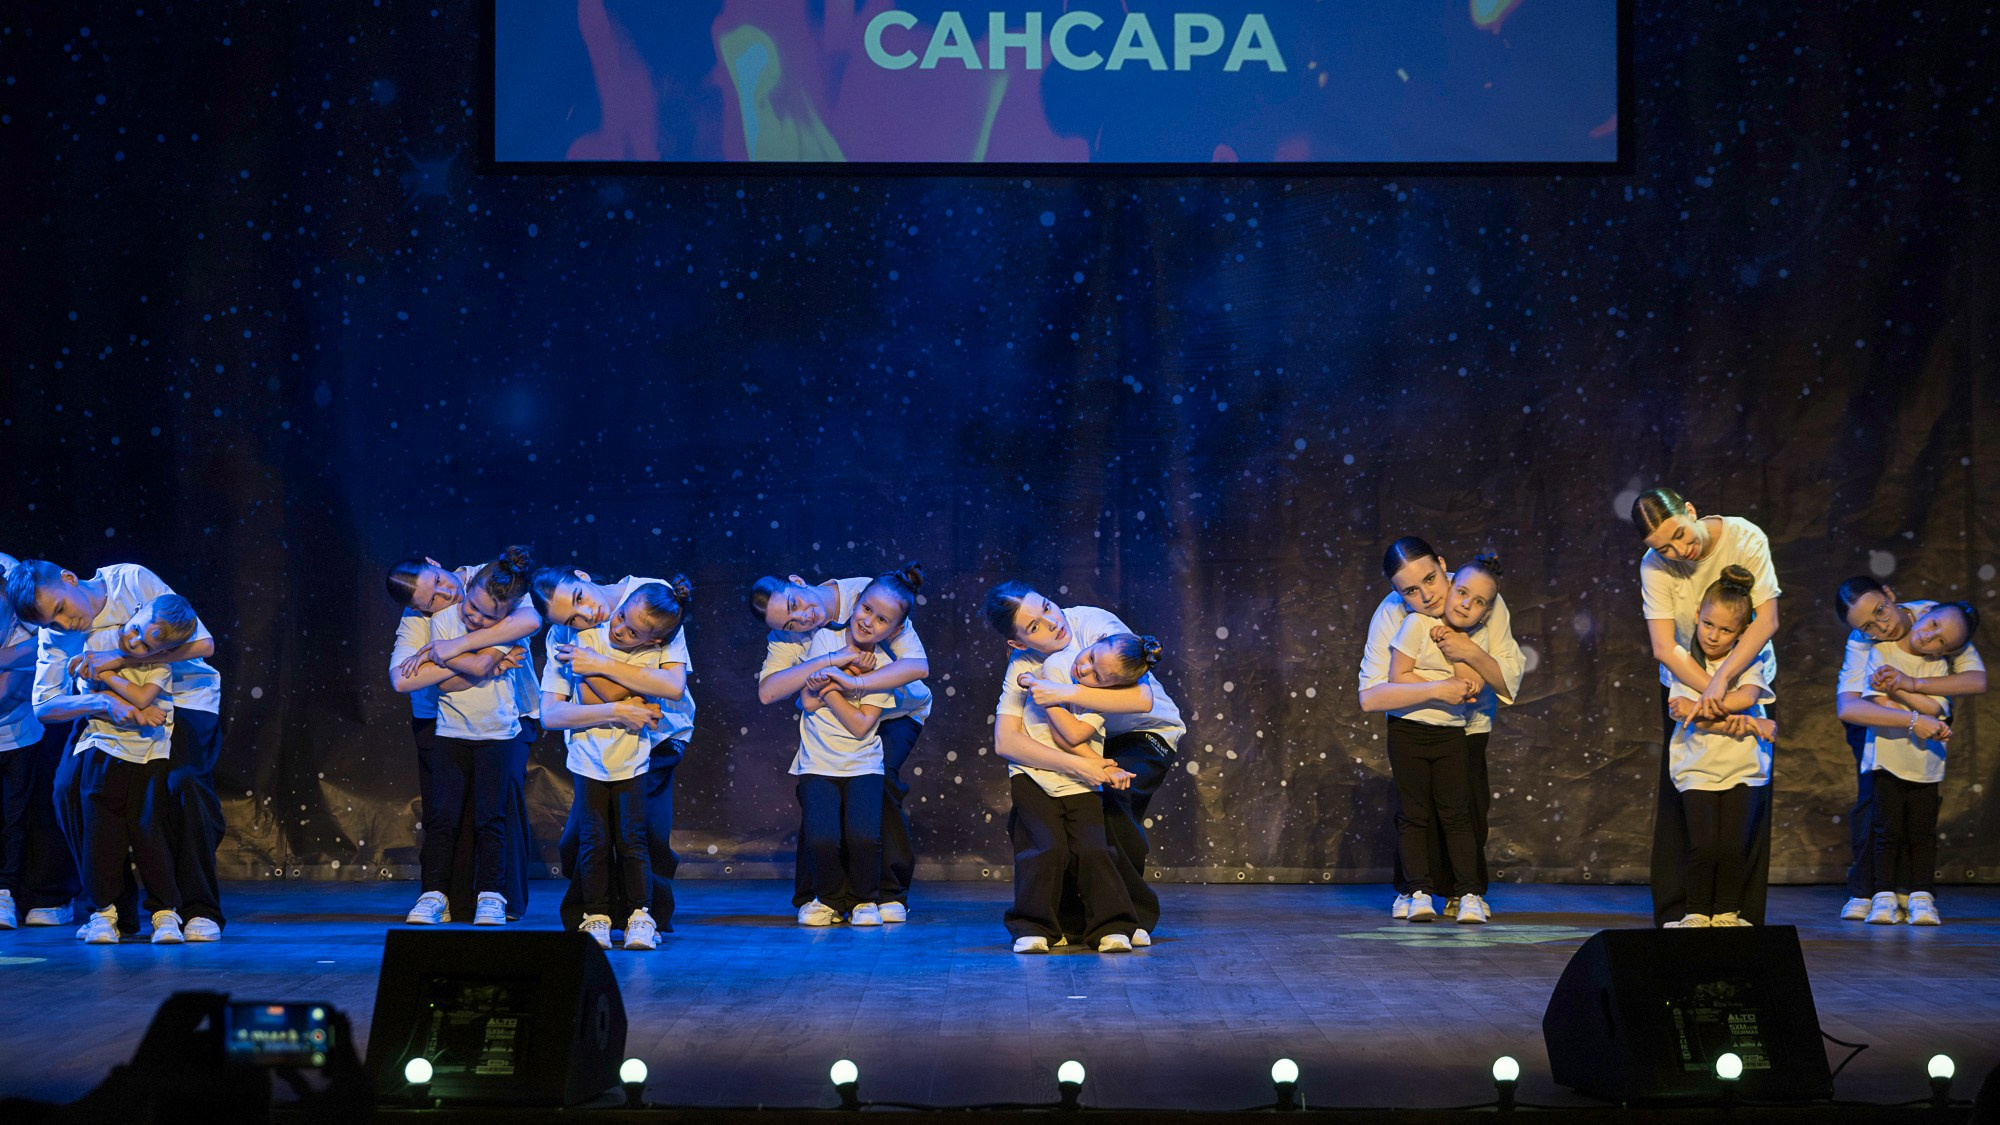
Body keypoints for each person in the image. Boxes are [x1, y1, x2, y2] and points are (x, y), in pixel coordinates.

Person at [7, 560, 225, 940]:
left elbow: (203, 643)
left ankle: (197, 908)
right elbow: (44, 706)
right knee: (66, 787)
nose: (63, 624)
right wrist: (103, 704)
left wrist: (124, 659)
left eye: (60, 609)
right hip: (109, 709)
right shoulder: (56, 636)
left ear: (70, 579)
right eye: (49, 623)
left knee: (183, 784)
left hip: (182, 699)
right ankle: (109, 909)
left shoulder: (131, 580)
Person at [985, 583, 1182, 945]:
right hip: (1082, 744)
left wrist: (1063, 692)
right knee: (1039, 818)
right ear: (1017, 643)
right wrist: (1084, 765)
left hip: (1143, 733)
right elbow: (1007, 740)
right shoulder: (1023, 666)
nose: (1051, 621)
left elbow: (1143, 698)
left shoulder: (1092, 624)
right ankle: (1061, 918)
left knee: (1108, 807)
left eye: (1046, 606)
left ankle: (1129, 916)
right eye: (1033, 627)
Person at [1632, 488, 1782, 926]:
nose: (1679, 550)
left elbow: (1767, 620)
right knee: (1686, 795)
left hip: (1746, 678)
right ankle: (1685, 909)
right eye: (1665, 547)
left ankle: (1739, 911)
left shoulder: (1744, 537)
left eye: (1680, 535)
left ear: (1691, 511)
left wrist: (1724, 682)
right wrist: (1708, 690)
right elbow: (1664, 645)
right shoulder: (1655, 566)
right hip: (1686, 678)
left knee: (1744, 801)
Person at [1359, 537, 1526, 919]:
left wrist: (1469, 653)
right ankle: (1413, 889)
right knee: (1415, 811)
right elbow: (1371, 695)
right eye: (1411, 591)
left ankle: (1463, 892)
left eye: (1432, 579)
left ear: (1443, 564)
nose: (1427, 594)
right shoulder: (1394, 615)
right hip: (1412, 722)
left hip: (1467, 726)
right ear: (1397, 592)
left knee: (1464, 808)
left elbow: (1505, 681)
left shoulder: (1480, 594)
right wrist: (1436, 689)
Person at [753, 566, 932, 922]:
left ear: (798, 582)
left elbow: (918, 666)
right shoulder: (796, 638)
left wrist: (852, 685)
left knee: (879, 787)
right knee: (821, 795)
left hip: (896, 709)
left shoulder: (866, 596)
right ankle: (821, 895)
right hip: (835, 713)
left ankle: (884, 892)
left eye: (795, 605)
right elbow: (770, 691)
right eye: (789, 623)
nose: (802, 618)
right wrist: (829, 665)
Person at [537, 570, 696, 947]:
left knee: (643, 835)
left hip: (656, 741)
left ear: (583, 577)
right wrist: (620, 709)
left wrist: (600, 666)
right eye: (570, 618)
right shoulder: (575, 635)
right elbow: (554, 712)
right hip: (596, 751)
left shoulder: (650, 601)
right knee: (585, 838)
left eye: (580, 599)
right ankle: (595, 915)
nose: (586, 614)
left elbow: (671, 687)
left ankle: (644, 917)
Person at [388, 552, 543, 924]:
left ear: (435, 562)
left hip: (505, 720)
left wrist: (442, 652)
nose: (447, 594)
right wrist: (480, 660)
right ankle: (444, 896)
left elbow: (530, 620)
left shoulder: (489, 583)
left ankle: (497, 897)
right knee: (444, 815)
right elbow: (402, 678)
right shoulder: (432, 619)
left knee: (494, 812)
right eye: (432, 600)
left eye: (440, 582)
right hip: (445, 724)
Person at [1831, 577, 1987, 920]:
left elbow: (1976, 680)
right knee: (1875, 804)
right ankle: (1867, 889)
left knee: (1918, 814)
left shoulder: (1936, 618)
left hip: (1927, 712)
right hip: (1874, 719)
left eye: (1881, 612)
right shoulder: (1865, 645)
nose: (1881, 626)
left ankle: (1911, 890)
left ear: (1890, 593)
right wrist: (1912, 718)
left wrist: (1914, 686)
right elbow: (1850, 708)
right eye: (1868, 626)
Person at [31, 600, 183, 943]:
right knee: (100, 835)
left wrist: (110, 675)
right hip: (102, 748)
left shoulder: (159, 664)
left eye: (147, 645)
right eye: (136, 630)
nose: (135, 642)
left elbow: (145, 699)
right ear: (137, 611)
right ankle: (104, 912)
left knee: (149, 835)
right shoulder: (100, 640)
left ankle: (164, 913)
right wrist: (94, 676)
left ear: (164, 650)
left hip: (147, 756)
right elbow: (87, 691)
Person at [1004, 634, 1149, 954]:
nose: (1085, 670)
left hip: (1081, 782)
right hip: (1034, 775)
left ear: (1112, 689)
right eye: (1091, 657)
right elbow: (1060, 733)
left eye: (1099, 676)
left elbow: (1072, 734)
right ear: (1094, 642)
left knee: (1095, 851)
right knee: (1044, 849)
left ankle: (1112, 926)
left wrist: (1046, 695)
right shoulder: (1058, 663)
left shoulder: (1095, 699)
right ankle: (1033, 926)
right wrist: (1045, 690)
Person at [1660, 567, 1777, 929]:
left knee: (1731, 847)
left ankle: (1726, 911)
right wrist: (1753, 724)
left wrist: (1716, 710)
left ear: (1744, 632)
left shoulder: (1750, 661)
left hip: (1743, 767)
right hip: (1696, 767)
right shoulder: (1684, 662)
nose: (1714, 635)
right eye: (1709, 624)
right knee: (1703, 846)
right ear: (1697, 616)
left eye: (1727, 630)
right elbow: (1685, 714)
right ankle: (1696, 910)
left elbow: (1745, 696)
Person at [0, 551, 78, 931]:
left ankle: (48, 895)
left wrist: (7, 656)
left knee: (45, 803)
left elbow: (54, 636)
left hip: (36, 720)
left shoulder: (17, 583)